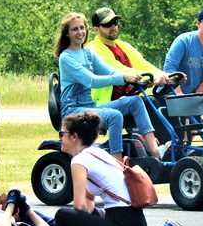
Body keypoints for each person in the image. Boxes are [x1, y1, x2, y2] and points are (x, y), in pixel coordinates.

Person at [54, 110, 194, 226]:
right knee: (87, 218)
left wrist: (76, 225)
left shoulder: (79, 160)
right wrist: (83, 223)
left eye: (62, 134)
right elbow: (89, 201)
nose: (59, 138)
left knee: (62, 215)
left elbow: (79, 206)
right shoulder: (98, 153)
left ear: (74, 137)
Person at [55, 12, 161, 161]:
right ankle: (117, 163)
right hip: (73, 111)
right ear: (67, 33)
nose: (80, 32)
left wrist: (138, 79)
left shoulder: (87, 53)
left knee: (135, 101)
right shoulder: (66, 57)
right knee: (114, 116)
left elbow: (112, 71)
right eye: (74, 29)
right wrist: (123, 77)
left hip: (89, 106)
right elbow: (91, 80)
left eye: (82, 28)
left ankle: (156, 152)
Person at [87, 6, 168, 105]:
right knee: (150, 103)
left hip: (132, 98)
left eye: (115, 23)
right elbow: (119, 70)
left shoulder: (124, 46)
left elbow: (144, 65)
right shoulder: (92, 49)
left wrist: (166, 76)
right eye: (107, 25)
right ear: (96, 30)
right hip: (109, 103)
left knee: (168, 100)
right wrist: (152, 77)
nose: (113, 27)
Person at [164, 8, 203, 94]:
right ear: (198, 23)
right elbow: (169, 68)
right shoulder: (183, 41)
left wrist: (197, 95)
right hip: (171, 92)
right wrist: (180, 95)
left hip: (195, 96)